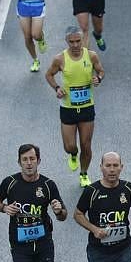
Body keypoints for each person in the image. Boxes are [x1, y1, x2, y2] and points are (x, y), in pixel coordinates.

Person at [74, 152, 131, 262]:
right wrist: (94, 229)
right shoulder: (92, 191)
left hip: (123, 249)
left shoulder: (128, 188)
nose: (112, 169)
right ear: (101, 167)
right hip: (99, 251)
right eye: (108, 166)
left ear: (121, 167)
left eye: (115, 165)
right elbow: (78, 214)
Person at [45, 27, 104, 187]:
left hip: (86, 107)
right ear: (67, 42)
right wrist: (57, 88)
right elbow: (49, 75)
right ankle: (73, 154)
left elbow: (101, 71)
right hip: (68, 108)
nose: (76, 45)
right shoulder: (60, 59)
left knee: (86, 144)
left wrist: (98, 78)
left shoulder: (91, 56)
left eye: (78, 41)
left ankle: (84, 173)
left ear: (82, 40)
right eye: (72, 42)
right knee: (70, 146)